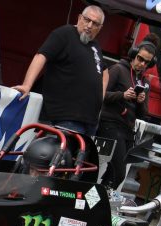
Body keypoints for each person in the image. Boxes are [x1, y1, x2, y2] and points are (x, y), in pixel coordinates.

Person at [12, 5, 108, 136]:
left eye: (95, 23)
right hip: (65, 117)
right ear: (79, 18)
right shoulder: (65, 33)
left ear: (100, 28)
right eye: (87, 20)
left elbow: (104, 72)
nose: (89, 25)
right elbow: (41, 56)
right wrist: (27, 84)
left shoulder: (95, 45)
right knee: (60, 149)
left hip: (89, 120)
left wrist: (99, 100)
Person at [96, 34, 159, 189]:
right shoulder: (118, 69)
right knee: (117, 172)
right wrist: (122, 95)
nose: (142, 64)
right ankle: (94, 199)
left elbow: (143, 114)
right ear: (134, 55)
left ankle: (95, 200)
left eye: (146, 62)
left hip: (127, 130)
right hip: (109, 124)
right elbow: (100, 94)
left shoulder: (144, 82)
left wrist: (140, 102)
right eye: (140, 59)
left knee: (115, 174)